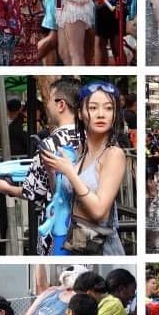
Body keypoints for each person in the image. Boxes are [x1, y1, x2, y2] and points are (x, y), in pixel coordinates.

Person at [41, 81, 127, 255]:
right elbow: (65, 195)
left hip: (102, 248)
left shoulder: (114, 155)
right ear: (80, 113)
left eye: (109, 108)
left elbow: (99, 211)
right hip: (77, 239)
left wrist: (69, 172)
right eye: (93, 108)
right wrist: (52, 171)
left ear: (115, 114)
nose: (101, 114)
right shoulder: (79, 151)